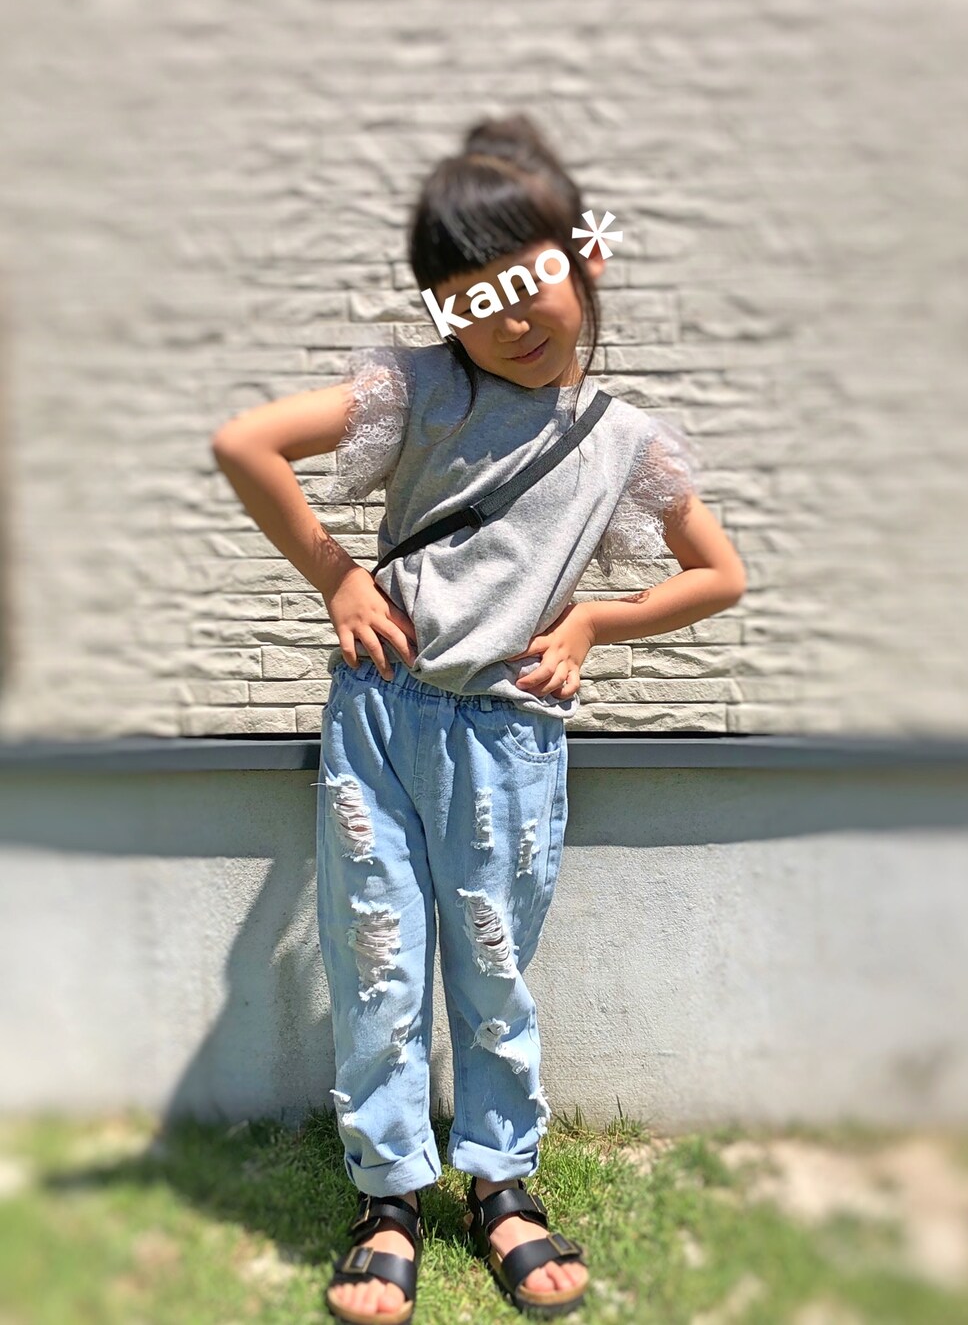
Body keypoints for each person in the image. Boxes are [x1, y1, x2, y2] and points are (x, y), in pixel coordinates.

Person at [213, 112, 746, 1325]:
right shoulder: (418, 390)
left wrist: (594, 622)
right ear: (444, 308)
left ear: (583, 260)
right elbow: (246, 443)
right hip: (379, 719)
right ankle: (388, 1192)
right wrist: (340, 579)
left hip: (507, 737)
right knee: (378, 958)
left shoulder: (624, 443)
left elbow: (719, 573)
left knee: (492, 968)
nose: (507, 316)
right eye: (471, 294)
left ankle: (501, 1180)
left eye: (526, 277)